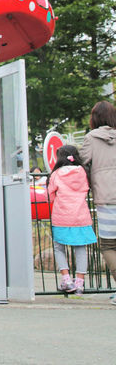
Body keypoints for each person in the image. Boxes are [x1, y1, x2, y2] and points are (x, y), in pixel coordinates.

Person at [79, 100, 116, 304]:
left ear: (94, 119)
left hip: (106, 198)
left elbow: (81, 162)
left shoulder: (91, 138)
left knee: (109, 245)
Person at [47, 144, 96, 294]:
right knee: (81, 248)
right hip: (81, 216)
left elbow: (50, 194)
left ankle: (67, 280)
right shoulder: (83, 172)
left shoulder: (56, 174)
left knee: (59, 247)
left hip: (61, 216)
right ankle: (80, 283)